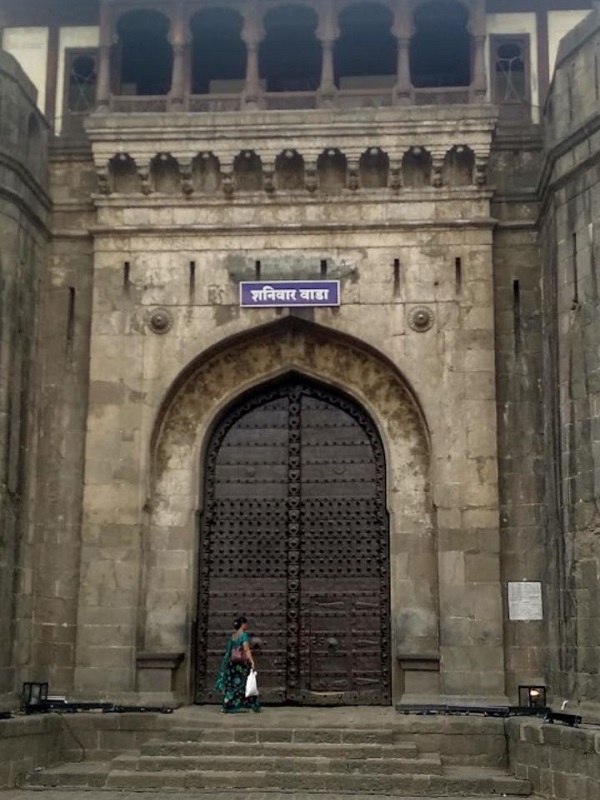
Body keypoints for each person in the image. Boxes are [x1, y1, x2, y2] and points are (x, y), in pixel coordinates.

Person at [215, 615, 260, 713]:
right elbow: (246, 649)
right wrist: (252, 661)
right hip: (241, 665)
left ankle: (228, 703)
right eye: (246, 624)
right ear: (243, 624)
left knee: (232, 685)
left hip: (233, 664)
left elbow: (232, 649)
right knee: (244, 684)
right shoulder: (243, 635)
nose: (247, 625)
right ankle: (247, 705)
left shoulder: (233, 635)